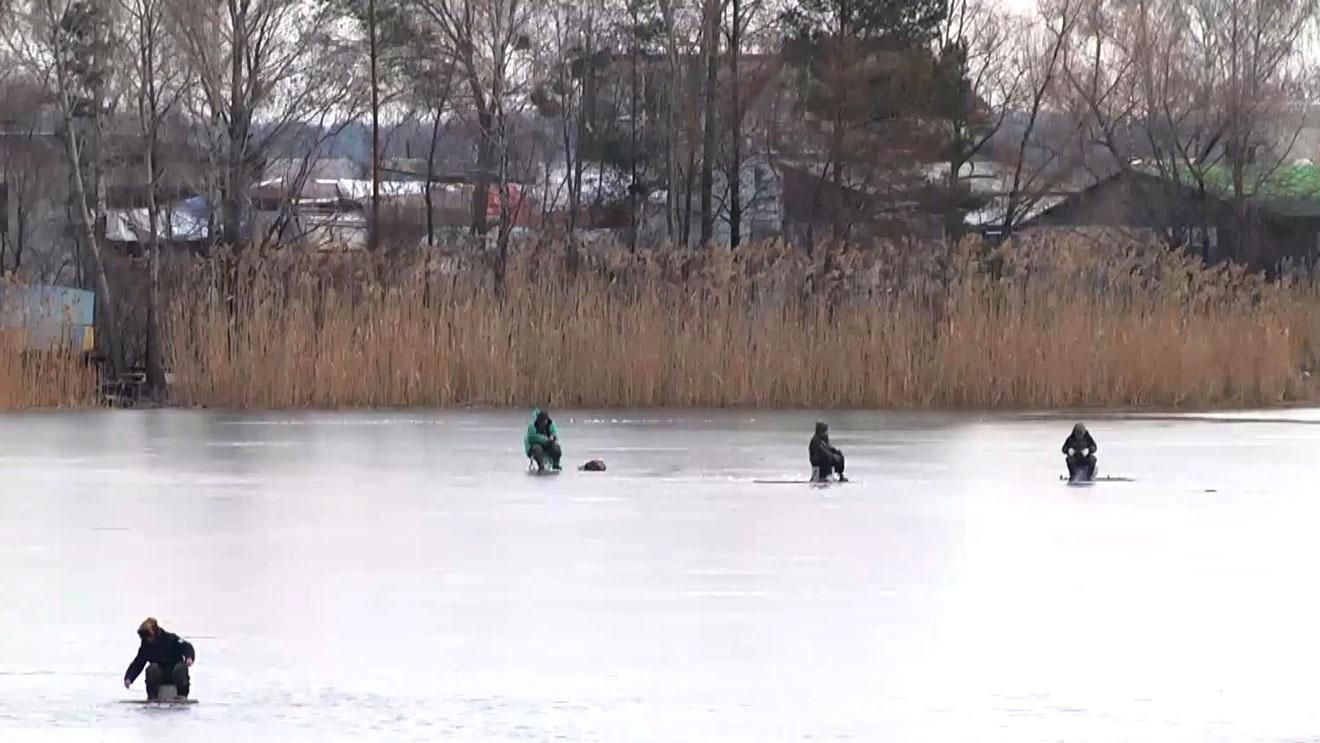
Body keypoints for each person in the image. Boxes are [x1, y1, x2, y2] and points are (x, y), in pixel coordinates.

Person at [124, 617, 195, 700]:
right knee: (152, 668)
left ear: (155, 632)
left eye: (148, 636)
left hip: (175, 673)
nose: (147, 639)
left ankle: (182, 695)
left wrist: (189, 658)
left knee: (181, 667)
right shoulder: (146, 646)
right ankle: (152, 697)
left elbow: (187, 647)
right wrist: (129, 678)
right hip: (159, 675)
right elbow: (138, 663)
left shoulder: (171, 638)